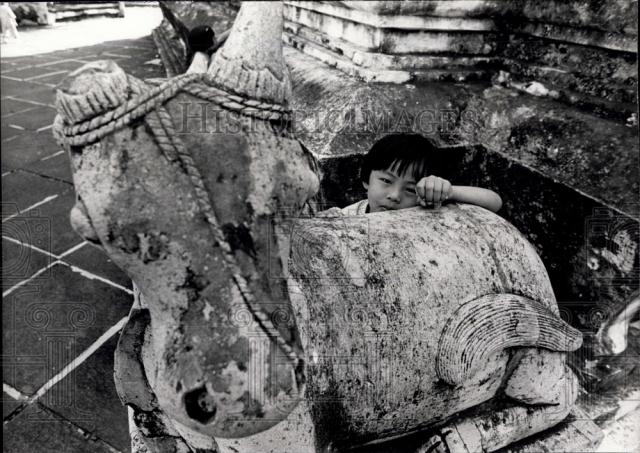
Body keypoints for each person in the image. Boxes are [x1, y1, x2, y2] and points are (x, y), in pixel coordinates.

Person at [339, 134, 502, 215]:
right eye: (386, 180)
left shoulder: (426, 208)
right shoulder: (347, 217)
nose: (395, 196)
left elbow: (494, 203)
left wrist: (448, 192)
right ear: (366, 179)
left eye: (410, 189)